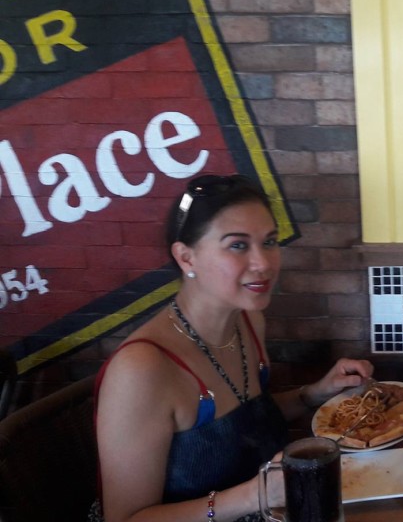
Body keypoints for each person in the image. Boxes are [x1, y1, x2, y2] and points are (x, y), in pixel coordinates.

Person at [92, 174, 374, 522]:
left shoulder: (248, 322)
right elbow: (124, 519)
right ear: (186, 258)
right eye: (238, 245)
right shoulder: (142, 369)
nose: (264, 263)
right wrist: (253, 495)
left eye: (269, 242)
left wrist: (315, 394)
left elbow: (245, 425)